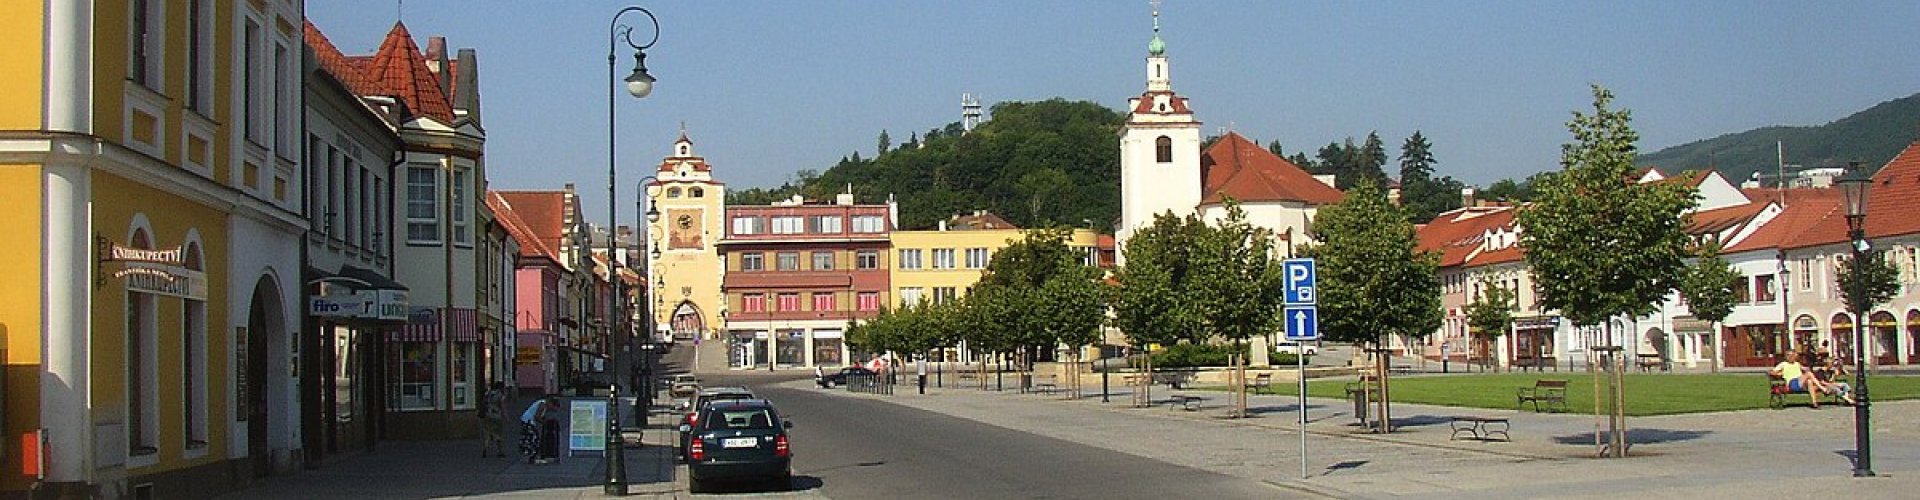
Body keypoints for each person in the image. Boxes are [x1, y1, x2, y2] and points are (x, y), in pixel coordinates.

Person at [519, 395, 557, 464]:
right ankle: (531, 457)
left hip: (528, 421)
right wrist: (544, 423)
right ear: (551, 403)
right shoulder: (543, 404)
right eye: (553, 407)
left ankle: (531, 456)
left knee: (532, 438)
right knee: (534, 439)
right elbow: (537, 416)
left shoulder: (544, 405)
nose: (551, 409)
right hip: (528, 421)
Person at [480, 381, 508, 457]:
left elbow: (484, 402)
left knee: (487, 433)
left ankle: (485, 448)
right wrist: (506, 417)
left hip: (488, 415)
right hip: (496, 416)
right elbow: (502, 406)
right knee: (498, 434)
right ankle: (500, 451)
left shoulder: (488, 393)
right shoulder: (500, 395)